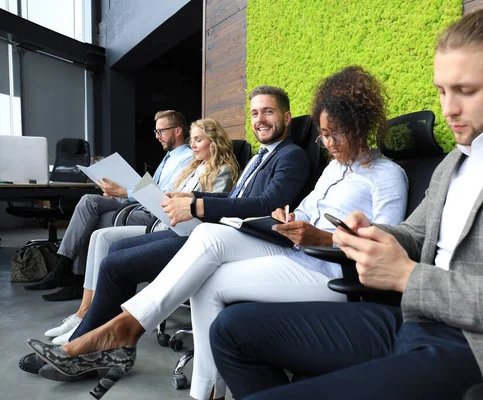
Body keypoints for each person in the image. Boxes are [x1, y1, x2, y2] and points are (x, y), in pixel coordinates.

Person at [205, 3, 483, 400]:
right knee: (231, 329)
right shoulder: (453, 163)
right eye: (442, 91)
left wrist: (409, 277)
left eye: (466, 91)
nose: (448, 109)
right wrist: (362, 235)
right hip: (414, 322)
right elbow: (414, 232)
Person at [26, 66, 409, 400]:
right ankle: (193, 381)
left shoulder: (388, 175)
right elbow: (305, 211)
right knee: (209, 249)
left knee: (208, 263)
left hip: (329, 271)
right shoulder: (331, 169)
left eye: (334, 135)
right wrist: (287, 217)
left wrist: (324, 239)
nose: (326, 144)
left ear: (360, 128)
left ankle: (128, 329)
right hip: (294, 251)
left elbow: (386, 244)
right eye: (323, 136)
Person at [19, 85, 311, 379]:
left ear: (286, 118)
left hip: (229, 241)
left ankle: (81, 348)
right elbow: (235, 199)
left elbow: (267, 203)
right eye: (255, 113)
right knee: (116, 250)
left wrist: (197, 207)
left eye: (268, 111)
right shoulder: (261, 157)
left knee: (115, 266)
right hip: (211, 232)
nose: (260, 119)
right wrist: (191, 197)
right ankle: (94, 347)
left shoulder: (291, 155)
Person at [42, 118, 239, 346]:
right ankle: (85, 314)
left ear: (214, 143)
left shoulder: (221, 171)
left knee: (113, 255)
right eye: (192, 139)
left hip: (182, 232)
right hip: (164, 223)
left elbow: (210, 209)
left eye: (198, 140)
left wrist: (170, 201)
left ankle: (95, 326)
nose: (192, 145)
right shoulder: (192, 168)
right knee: (104, 238)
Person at [24, 110, 194, 302]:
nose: (157, 137)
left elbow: (162, 197)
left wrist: (123, 193)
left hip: (155, 213)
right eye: (156, 132)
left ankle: (77, 280)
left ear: (177, 131)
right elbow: (149, 189)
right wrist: (118, 192)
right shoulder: (168, 158)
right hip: (141, 204)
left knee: (95, 220)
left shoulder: (186, 158)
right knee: (89, 200)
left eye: (161, 131)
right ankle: (63, 267)